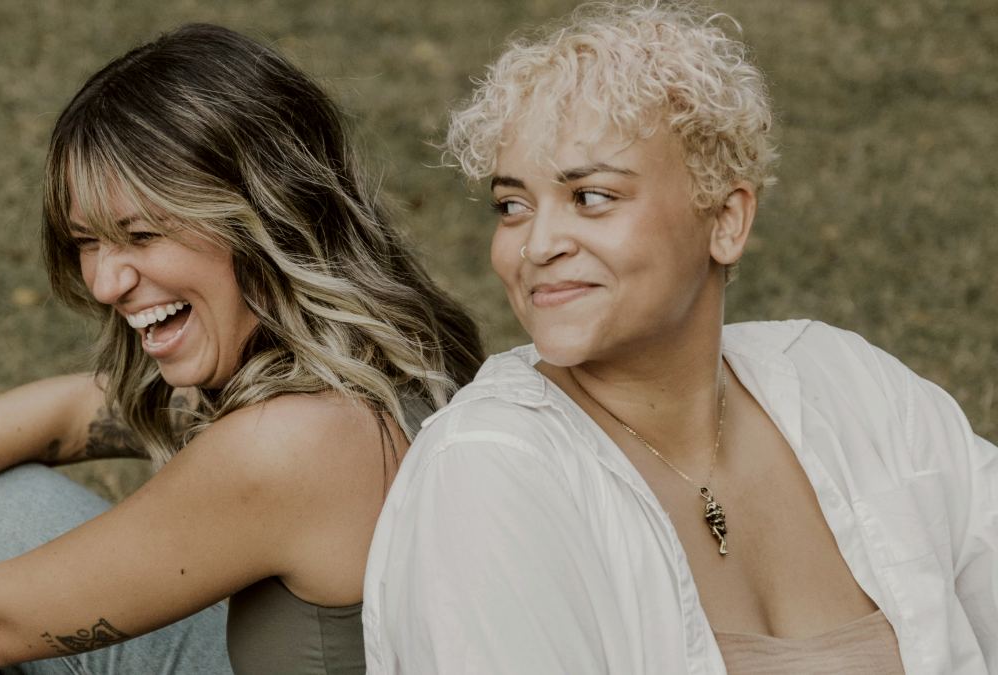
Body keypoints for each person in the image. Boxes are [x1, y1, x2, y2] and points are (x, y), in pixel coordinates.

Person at [0, 22, 483, 675]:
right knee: (10, 509)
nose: (103, 281)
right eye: (89, 240)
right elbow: (72, 414)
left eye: (142, 235)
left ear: (266, 216)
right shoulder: (392, 351)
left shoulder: (293, 441)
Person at [363, 2, 997, 673]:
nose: (537, 245)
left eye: (591, 197)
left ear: (726, 220)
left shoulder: (848, 385)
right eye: (512, 205)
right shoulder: (490, 474)